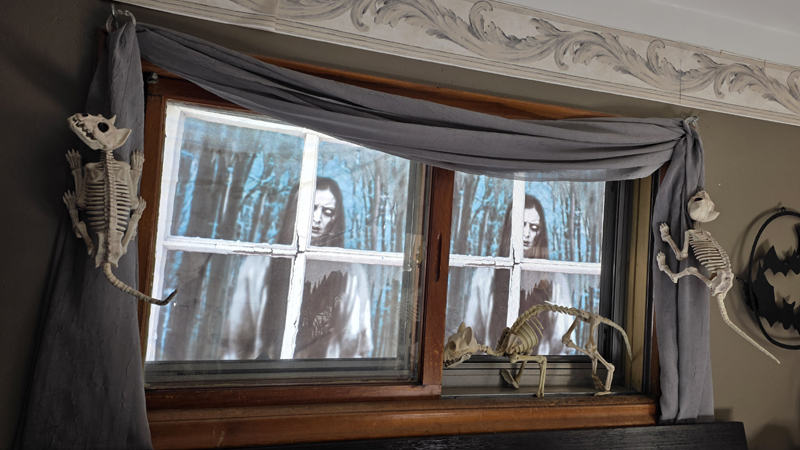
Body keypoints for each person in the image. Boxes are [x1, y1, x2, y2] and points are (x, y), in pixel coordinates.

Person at [220, 177, 373, 360]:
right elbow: (236, 344)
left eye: (327, 212)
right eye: (310, 208)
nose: (317, 218)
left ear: (336, 218)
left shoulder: (352, 275)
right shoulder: (257, 266)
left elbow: (357, 348)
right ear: (295, 210)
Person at [462, 194, 571, 355]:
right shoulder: (484, 277)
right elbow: (471, 337)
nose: (526, 233)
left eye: (534, 227)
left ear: (540, 231)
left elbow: (564, 344)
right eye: (521, 225)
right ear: (510, 227)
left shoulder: (556, 282)